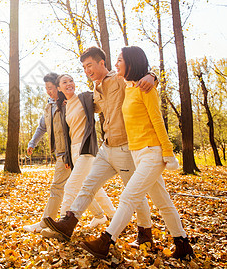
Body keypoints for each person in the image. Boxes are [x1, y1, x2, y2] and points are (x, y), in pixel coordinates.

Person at [79, 46, 194, 260]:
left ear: (131, 62)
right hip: (137, 153)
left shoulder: (145, 88)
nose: (116, 63)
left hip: (152, 152)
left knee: (128, 197)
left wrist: (168, 152)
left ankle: (106, 241)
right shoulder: (129, 86)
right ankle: (183, 244)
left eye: (120, 60)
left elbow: (158, 121)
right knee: (163, 202)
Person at [43, 47, 156, 248]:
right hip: (106, 147)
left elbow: (141, 80)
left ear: (102, 63)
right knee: (88, 184)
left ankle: (145, 233)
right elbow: (86, 108)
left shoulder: (120, 79)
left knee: (134, 194)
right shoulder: (95, 90)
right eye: (84, 67)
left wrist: (152, 75)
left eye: (90, 65)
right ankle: (69, 222)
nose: (87, 70)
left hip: (125, 146)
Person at [41, 74, 115, 240]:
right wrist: (67, 156)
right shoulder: (65, 106)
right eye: (64, 82)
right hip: (74, 151)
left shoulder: (85, 98)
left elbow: (101, 102)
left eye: (71, 81)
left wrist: (99, 84)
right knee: (95, 189)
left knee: (71, 187)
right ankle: (114, 216)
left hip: (86, 149)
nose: (69, 84)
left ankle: (61, 226)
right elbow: (67, 135)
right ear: (59, 88)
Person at [22, 73, 73, 233]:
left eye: (50, 88)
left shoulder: (68, 103)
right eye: (46, 89)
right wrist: (32, 143)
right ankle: (101, 214)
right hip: (59, 152)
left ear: (58, 87)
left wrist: (68, 154)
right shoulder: (49, 105)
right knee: (82, 186)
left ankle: (46, 222)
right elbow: (42, 127)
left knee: (57, 187)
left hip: (67, 153)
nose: (48, 91)